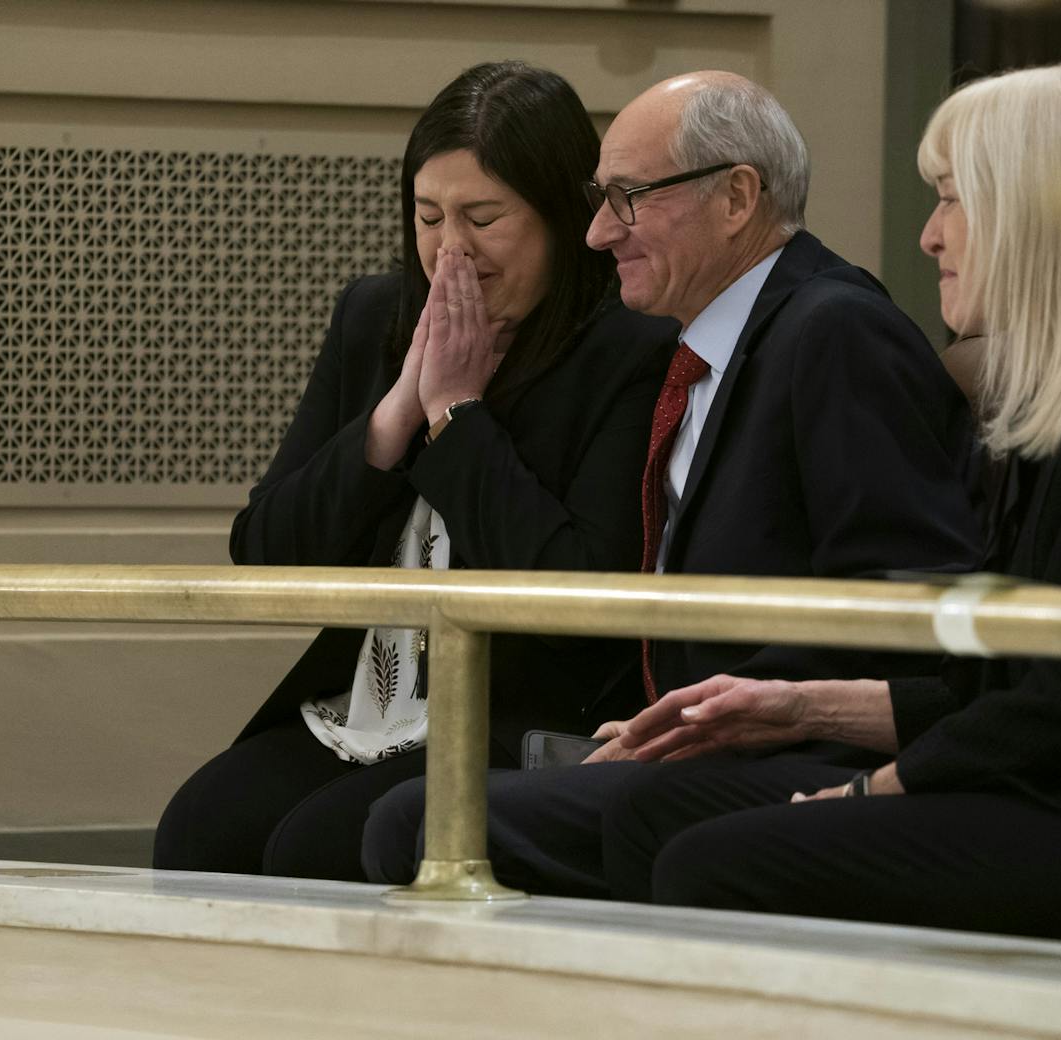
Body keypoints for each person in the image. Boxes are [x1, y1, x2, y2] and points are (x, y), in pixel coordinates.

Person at [588, 62, 1061, 956]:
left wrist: (879, 788)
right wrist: (797, 706)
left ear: (1045, 211)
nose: (931, 237)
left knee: (712, 863)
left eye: (952, 200)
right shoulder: (1052, 399)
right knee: (647, 817)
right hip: (1045, 784)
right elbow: (996, 680)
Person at [361, 71, 983, 890]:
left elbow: (904, 600)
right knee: (406, 811)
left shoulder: (835, 329)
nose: (595, 233)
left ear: (736, 198)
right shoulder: (715, 341)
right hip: (691, 739)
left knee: (419, 822)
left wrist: (724, 710)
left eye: (628, 197)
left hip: (801, 750)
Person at [152, 61, 677, 880]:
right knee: (200, 829)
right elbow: (264, 549)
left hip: (518, 708)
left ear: (563, 216)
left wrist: (458, 415)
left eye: (484, 217)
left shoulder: (629, 350)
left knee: (315, 849)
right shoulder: (376, 315)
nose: (451, 249)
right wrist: (395, 415)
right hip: (363, 701)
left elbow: (577, 590)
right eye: (429, 216)